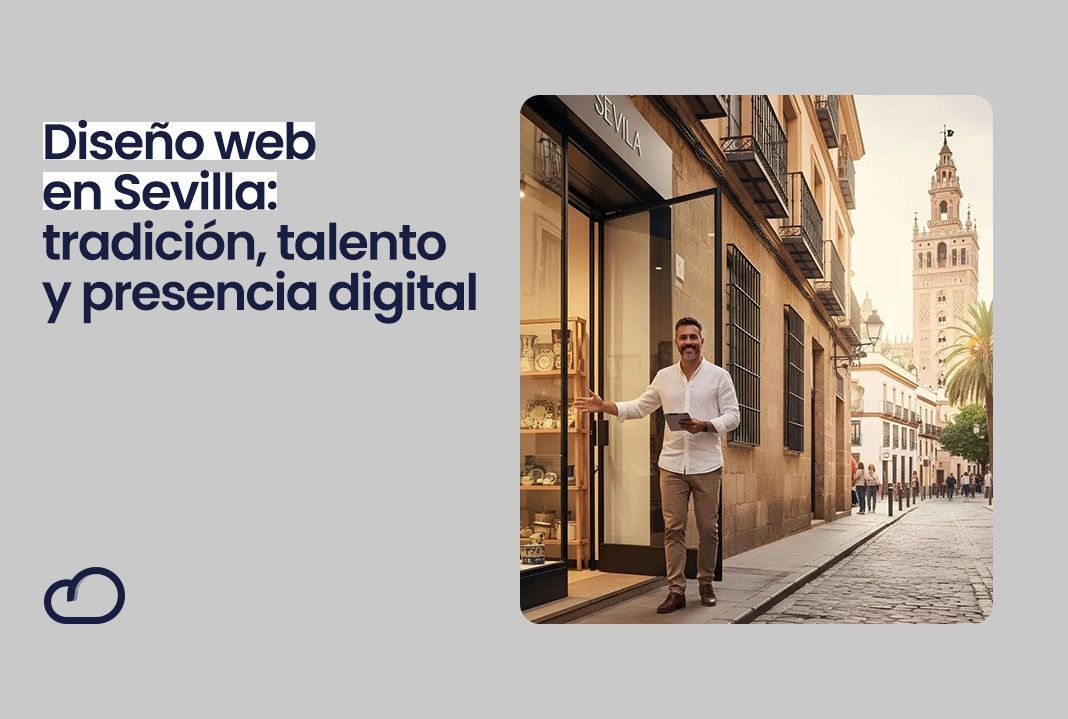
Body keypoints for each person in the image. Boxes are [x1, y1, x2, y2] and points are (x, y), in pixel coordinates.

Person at [577, 317, 740, 614]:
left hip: (707, 465)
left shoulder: (719, 377)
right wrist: (605, 407)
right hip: (672, 465)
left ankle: (705, 582)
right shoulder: (664, 376)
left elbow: (733, 416)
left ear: (702, 341)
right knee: (673, 528)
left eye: (693, 337)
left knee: (708, 528)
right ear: (676, 342)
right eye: (682, 338)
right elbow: (640, 406)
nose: (688, 342)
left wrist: (706, 425)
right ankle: (676, 590)